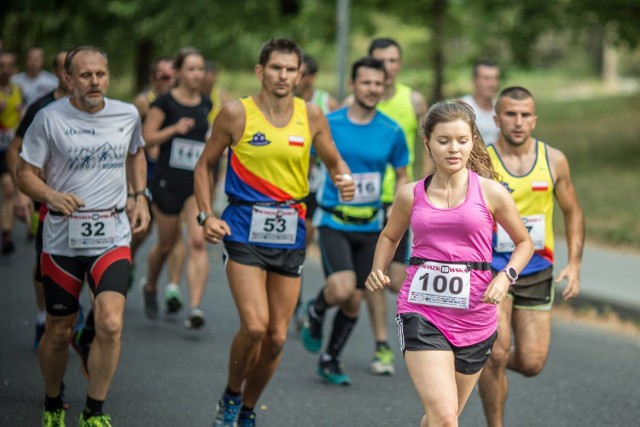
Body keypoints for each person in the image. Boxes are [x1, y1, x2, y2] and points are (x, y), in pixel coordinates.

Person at [194, 38, 355, 427]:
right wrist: (205, 215)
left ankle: (248, 409)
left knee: (278, 337)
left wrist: (344, 178)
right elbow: (204, 166)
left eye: (291, 69)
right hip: (244, 227)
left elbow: (334, 160)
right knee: (255, 326)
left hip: (290, 231)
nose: (283, 76)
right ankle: (231, 397)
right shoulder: (235, 114)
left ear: (300, 75)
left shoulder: (312, 115)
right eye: (276, 68)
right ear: (260, 71)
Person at [365, 99, 534, 427]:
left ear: (473, 141)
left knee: (441, 417)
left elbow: (524, 243)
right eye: (444, 141)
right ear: (427, 142)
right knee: (445, 418)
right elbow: (389, 236)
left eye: (462, 140)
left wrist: (505, 277)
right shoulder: (410, 194)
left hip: (476, 315)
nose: (453, 149)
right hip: (421, 309)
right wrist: (378, 268)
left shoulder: (491, 192)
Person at [17, 44, 150, 427]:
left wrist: (140, 195)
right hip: (62, 239)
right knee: (59, 330)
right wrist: (50, 195)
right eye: (86, 75)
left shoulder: (127, 114)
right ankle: (53, 401)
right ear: (68, 79)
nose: (95, 82)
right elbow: (24, 173)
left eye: (101, 74)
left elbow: (136, 152)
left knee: (111, 323)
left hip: (111, 234)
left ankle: (94, 411)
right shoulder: (48, 118)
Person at [478, 86, 584, 427]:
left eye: (525, 115)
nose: (518, 122)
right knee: (496, 352)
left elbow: (573, 211)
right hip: (493, 268)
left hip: (538, 268)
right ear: (497, 119)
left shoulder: (554, 159)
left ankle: (472, 356)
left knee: (532, 363)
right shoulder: (481, 160)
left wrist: (575, 264)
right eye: (510, 114)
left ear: (535, 119)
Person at [300, 56, 409, 385]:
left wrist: (398, 208)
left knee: (355, 297)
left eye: (378, 83)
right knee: (342, 287)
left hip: (371, 225)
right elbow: (306, 162)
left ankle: (330, 358)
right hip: (334, 221)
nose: (373, 89)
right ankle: (316, 310)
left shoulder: (391, 130)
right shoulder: (329, 122)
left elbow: (402, 174)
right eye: (366, 82)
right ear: (352, 85)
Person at [360, 37, 428, 375]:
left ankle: (424, 334)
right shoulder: (357, 99)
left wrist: (430, 189)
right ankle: (382, 344)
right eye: (380, 60)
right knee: (375, 271)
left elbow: (430, 144)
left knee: (400, 275)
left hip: (405, 199)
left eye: (393, 60)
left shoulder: (414, 100)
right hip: (366, 202)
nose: (387, 67)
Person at [141, 47, 212, 328]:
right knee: (166, 244)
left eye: (201, 69)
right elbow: (146, 139)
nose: (197, 74)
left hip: (195, 184)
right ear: (179, 72)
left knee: (197, 241)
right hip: (167, 182)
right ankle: (150, 286)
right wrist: (173, 129)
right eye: (192, 69)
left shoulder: (206, 104)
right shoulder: (164, 103)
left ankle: (195, 307)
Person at [7, 50, 69, 349]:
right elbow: (14, 148)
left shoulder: (99, 112)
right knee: (45, 261)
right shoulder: (41, 108)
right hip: (44, 197)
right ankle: (45, 315)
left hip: (85, 202)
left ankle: (72, 313)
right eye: (69, 70)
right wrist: (20, 191)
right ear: (59, 74)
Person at [131, 57, 187, 301]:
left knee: (174, 233)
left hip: (169, 173)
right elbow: (130, 142)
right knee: (143, 230)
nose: (170, 82)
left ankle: (172, 286)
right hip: (146, 171)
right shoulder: (143, 102)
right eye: (164, 77)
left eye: (173, 77)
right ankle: (126, 260)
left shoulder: (179, 101)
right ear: (153, 79)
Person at [291, 53, 340, 330]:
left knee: (309, 238)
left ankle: (309, 302)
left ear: (311, 77)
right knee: (299, 241)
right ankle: (294, 303)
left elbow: (334, 142)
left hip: (318, 183)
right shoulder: (286, 103)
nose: (297, 79)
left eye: (302, 73)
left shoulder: (326, 103)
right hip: (293, 181)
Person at [0, 50, 23, 255]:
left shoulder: (17, 90)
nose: (5, 70)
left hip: (6, 149)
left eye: (9, 66)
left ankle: (6, 234)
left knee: (9, 188)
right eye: (2, 65)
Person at [460, 60, 500, 145]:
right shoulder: (462, 107)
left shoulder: (501, 108)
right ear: (475, 80)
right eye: (486, 78)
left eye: (495, 78)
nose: (492, 84)